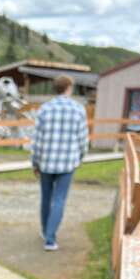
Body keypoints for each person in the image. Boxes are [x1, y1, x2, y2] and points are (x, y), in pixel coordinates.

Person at [31, 74, 89, 251]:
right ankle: (50, 239)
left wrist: (35, 162)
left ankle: (45, 231)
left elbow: (37, 140)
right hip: (67, 163)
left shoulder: (44, 109)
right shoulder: (78, 109)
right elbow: (83, 139)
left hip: (46, 162)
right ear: (69, 88)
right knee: (59, 199)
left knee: (46, 198)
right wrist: (80, 157)